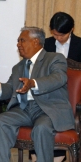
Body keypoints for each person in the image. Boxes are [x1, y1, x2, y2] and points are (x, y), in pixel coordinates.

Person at [0, 27, 75, 162]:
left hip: (48, 109)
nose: (18, 44)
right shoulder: (18, 67)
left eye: (22, 40)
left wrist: (33, 83)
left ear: (35, 42)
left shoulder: (54, 58)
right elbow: (11, 87)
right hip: (24, 109)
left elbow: (59, 78)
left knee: (41, 128)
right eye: (18, 41)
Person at [31, 11, 81, 162]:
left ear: (71, 29)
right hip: (48, 94)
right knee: (41, 116)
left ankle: (57, 156)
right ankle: (41, 156)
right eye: (55, 34)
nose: (58, 38)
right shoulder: (44, 45)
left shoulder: (80, 45)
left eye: (62, 35)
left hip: (72, 96)